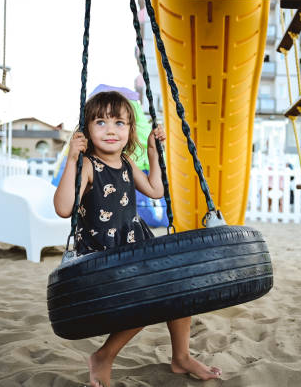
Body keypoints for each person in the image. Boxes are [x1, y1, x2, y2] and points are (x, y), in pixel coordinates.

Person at [53, 91, 221, 387]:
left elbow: (156, 190)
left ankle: (181, 357)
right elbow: (64, 208)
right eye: (101, 122)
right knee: (144, 302)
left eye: (120, 123)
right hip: (103, 258)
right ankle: (103, 356)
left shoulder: (128, 163)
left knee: (178, 286)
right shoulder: (90, 166)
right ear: (87, 130)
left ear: (130, 130)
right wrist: (72, 160)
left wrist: (154, 154)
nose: (111, 130)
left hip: (134, 247)